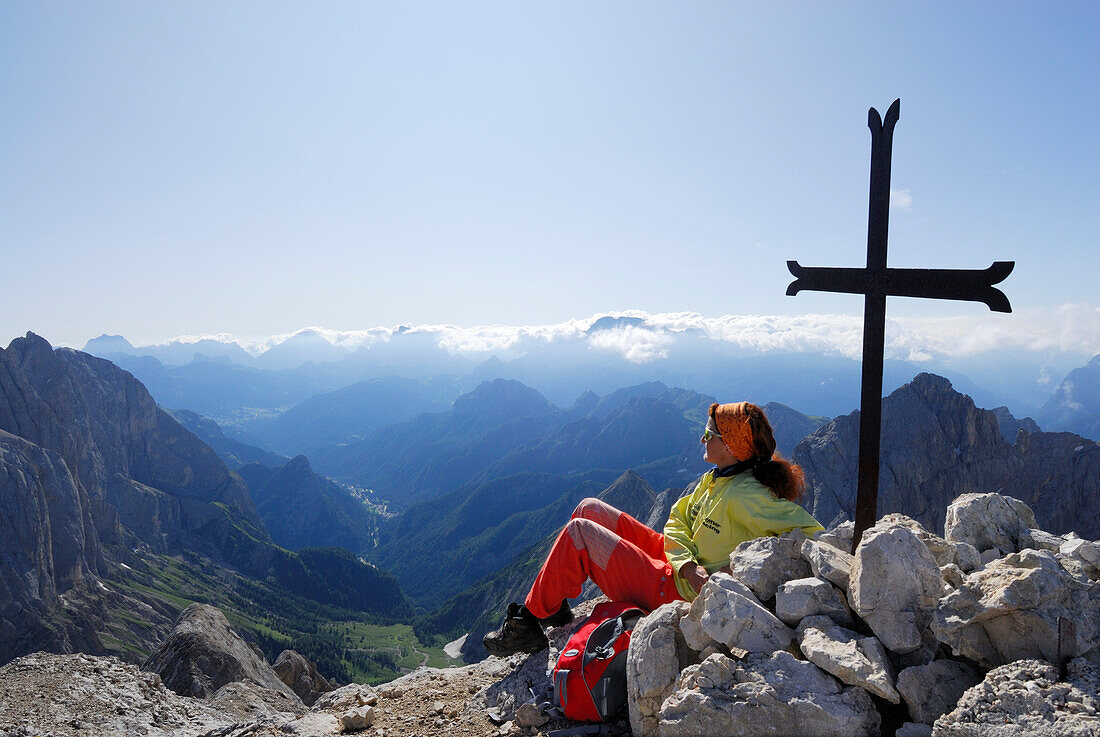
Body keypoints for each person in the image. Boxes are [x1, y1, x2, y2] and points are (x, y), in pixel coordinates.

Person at [483, 401, 825, 656]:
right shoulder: (717, 479)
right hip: (679, 566)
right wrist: (687, 563)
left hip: (676, 590)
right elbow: (676, 519)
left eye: (709, 434)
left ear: (732, 446)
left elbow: (811, 532)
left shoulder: (746, 495)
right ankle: (553, 605)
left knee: (579, 533)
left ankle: (528, 623)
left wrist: (739, 569)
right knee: (589, 507)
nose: (702, 439)